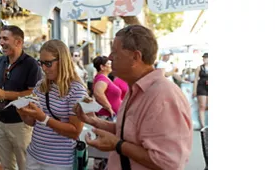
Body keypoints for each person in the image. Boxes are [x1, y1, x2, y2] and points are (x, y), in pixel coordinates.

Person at [73, 25, 192, 170]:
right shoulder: (137, 88)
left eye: (115, 52)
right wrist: (94, 121)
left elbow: (168, 162)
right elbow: (128, 132)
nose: (110, 57)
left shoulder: (163, 95)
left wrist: (117, 145)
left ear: (136, 57)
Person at [16, 39, 88, 170]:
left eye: (48, 63)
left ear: (63, 62)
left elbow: (75, 132)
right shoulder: (40, 86)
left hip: (59, 162)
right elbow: (33, 122)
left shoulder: (76, 90)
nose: (43, 68)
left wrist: (44, 118)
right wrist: (23, 114)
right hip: (34, 155)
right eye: (41, 63)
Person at [0, 25, 42, 170]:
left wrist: (5, 94)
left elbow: (33, 93)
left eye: (5, 38)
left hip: (21, 123)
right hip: (1, 121)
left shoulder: (31, 64)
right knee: (7, 166)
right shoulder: (1, 61)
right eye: (0, 38)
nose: (0, 42)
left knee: (25, 165)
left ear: (18, 42)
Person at [92, 56, 122, 120]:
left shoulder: (105, 78)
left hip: (110, 115)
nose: (111, 65)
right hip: (107, 116)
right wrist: (109, 108)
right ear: (102, 67)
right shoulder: (102, 79)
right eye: (109, 64)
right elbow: (98, 93)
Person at [193, 53, 208, 130]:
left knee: (207, 106)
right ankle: (203, 125)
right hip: (202, 87)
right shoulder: (199, 68)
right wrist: (194, 90)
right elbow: (195, 79)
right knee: (202, 106)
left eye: (206, 58)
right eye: (204, 58)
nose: (205, 59)